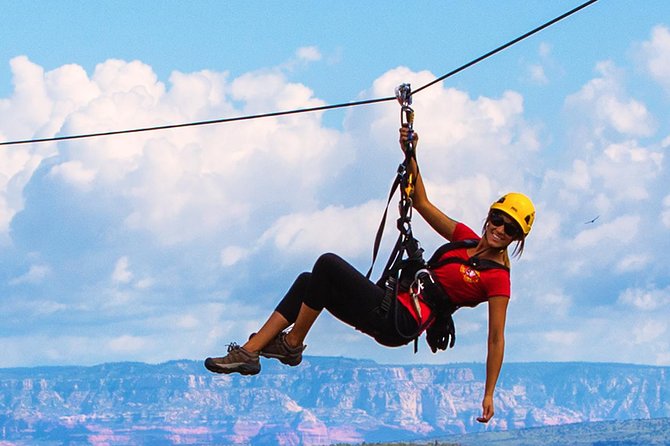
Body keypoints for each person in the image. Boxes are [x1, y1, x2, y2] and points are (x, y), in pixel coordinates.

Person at [204, 126, 535, 423]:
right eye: (497, 218)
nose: (500, 229)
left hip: (402, 319)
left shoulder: (498, 279)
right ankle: (250, 353)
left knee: (328, 264)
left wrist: (489, 392)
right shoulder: (463, 238)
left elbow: (495, 339)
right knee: (310, 281)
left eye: (510, 228)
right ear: (489, 216)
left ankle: (291, 343)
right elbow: (420, 201)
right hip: (392, 305)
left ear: (517, 238)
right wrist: (411, 153)